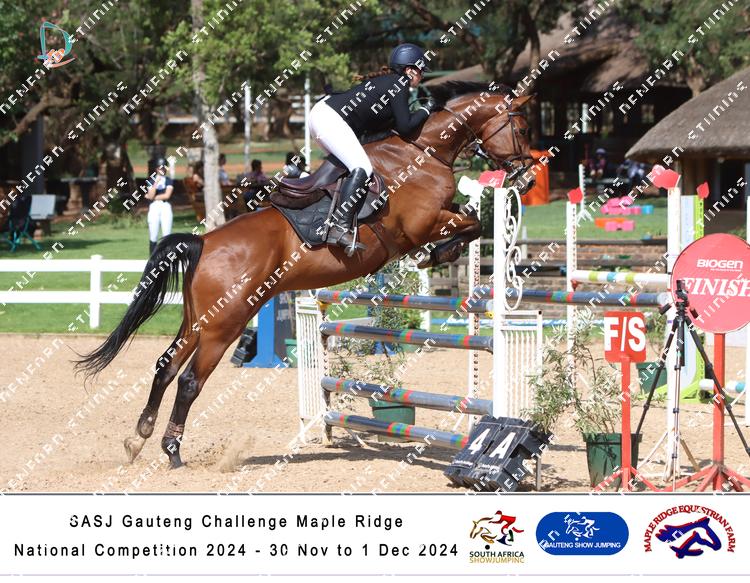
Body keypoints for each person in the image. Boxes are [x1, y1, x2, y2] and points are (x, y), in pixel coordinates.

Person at [308, 43, 438, 253]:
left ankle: (319, 213)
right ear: (409, 70)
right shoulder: (399, 83)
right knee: (362, 167)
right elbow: (405, 127)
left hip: (323, 116)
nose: (422, 76)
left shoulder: (390, 83)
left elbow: (388, 129)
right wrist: (426, 109)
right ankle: (339, 228)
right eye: (421, 71)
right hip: (329, 119)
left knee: (346, 170)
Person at [145, 157, 174, 255]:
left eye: (164, 168)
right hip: (154, 207)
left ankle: (166, 257)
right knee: (153, 235)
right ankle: (152, 257)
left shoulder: (168, 180)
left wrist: (152, 197)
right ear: (156, 168)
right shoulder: (151, 180)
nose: (162, 170)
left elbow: (167, 195)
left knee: (167, 235)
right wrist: (156, 182)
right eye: (160, 168)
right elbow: (151, 194)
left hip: (165, 206)